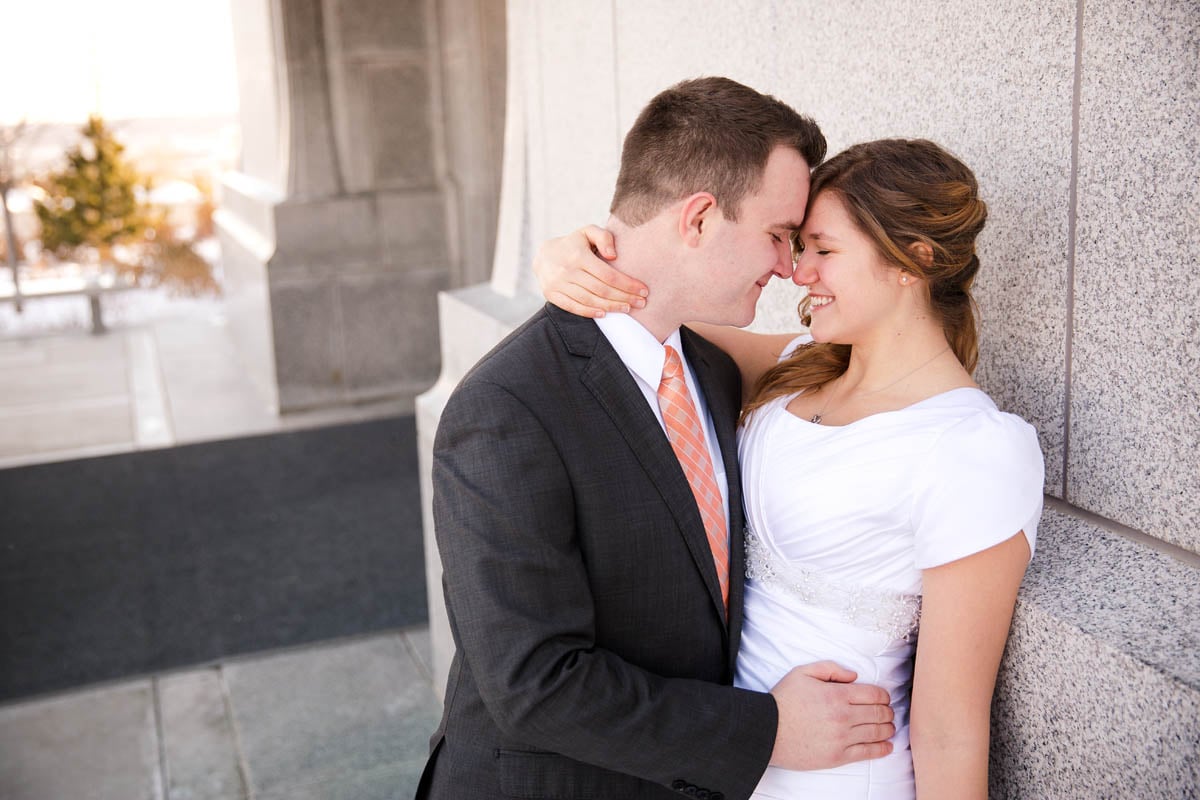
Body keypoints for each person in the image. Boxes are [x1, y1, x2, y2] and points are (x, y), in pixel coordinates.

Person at [416, 77, 897, 800]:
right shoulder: (506, 406)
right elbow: (534, 684)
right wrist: (767, 731)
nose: (786, 267)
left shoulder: (712, 370)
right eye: (776, 235)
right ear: (699, 217)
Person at [534, 137, 1045, 799]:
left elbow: (950, 725)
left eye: (823, 251)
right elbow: (638, 310)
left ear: (912, 261)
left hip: (842, 779)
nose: (798, 273)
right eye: (799, 247)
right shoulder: (795, 364)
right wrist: (567, 257)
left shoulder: (974, 448)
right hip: (728, 757)